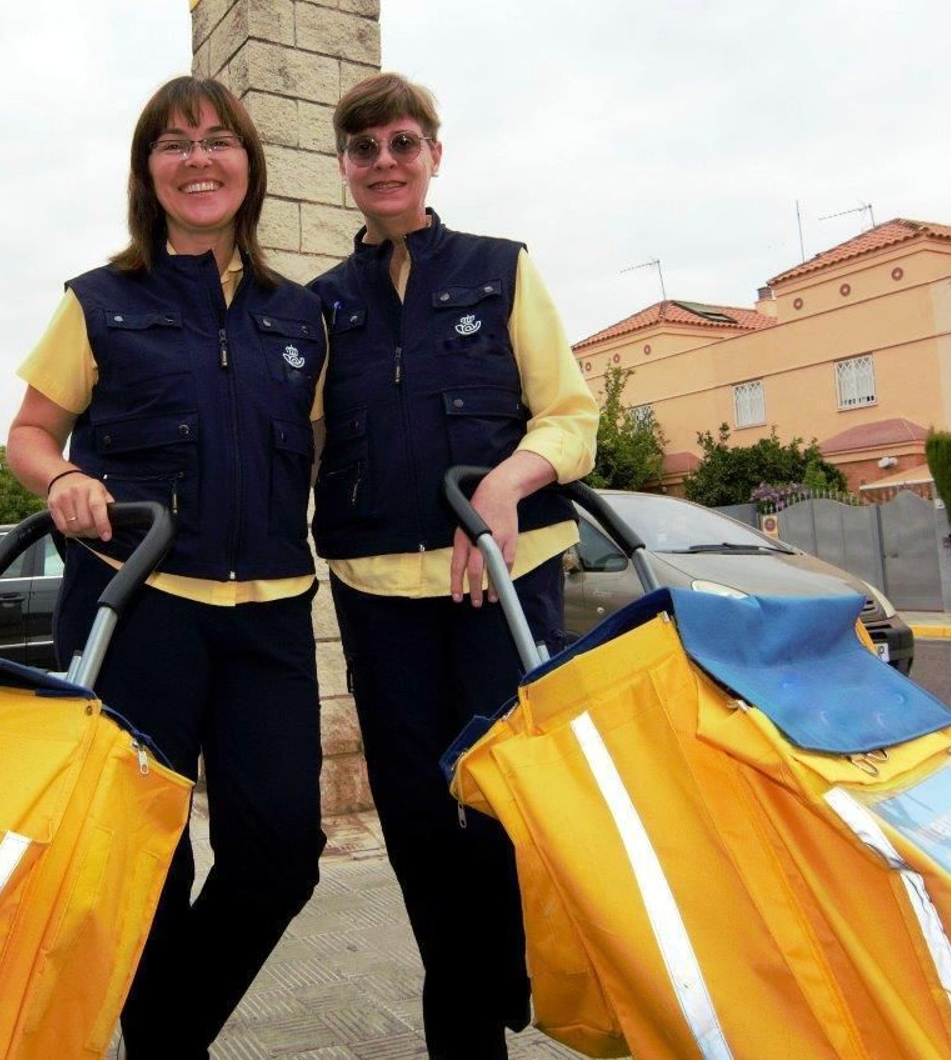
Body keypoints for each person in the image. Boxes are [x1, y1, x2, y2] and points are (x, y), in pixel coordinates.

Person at [5, 76, 327, 1059]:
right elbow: (29, 433)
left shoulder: (299, 316)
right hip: (137, 610)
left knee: (281, 854)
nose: (199, 159)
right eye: (175, 143)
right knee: (145, 863)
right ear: (148, 172)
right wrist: (63, 477)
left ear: (248, 166)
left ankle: (164, 1039)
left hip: (272, 615)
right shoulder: (97, 301)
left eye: (218, 140)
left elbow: (325, 454)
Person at [309, 72, 598, 1059]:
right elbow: (291, 441)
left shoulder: (501, 268)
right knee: (419, 822)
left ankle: (507, 971)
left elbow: (570, 418)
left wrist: (507, 484)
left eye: (403, 143)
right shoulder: (320, 306)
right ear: (344, 166)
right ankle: (465, 1024)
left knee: (507, 810)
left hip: (505, 586)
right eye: (364, 149)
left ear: (434, 153)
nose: (384, 162)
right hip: (379, 592)